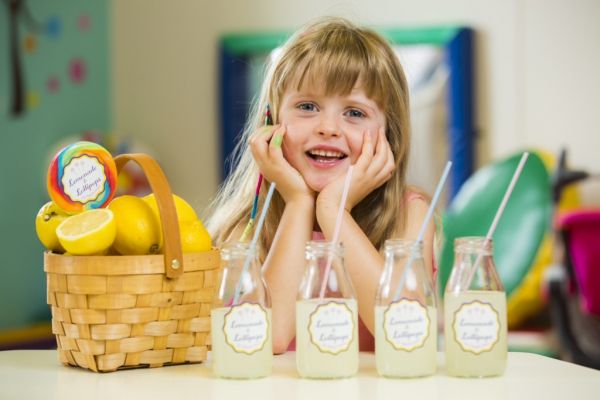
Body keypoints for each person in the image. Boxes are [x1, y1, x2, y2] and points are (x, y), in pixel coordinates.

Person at [206, 16, 435, 354]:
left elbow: (404, 335)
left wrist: (333, 210)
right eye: (307, 106)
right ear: (271, 121)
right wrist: (299, 203)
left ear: (389, 135)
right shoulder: (245, 226)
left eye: (354, 113)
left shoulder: (410, 215)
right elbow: (264, 339)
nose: (328, 128)